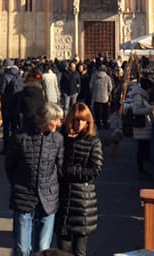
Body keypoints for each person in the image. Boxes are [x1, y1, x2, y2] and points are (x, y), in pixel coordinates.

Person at [5, 102, 64, 256]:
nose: (59, 123)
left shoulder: (57, 139)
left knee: (43, 248)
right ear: (46, 120)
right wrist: (18, 185)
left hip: (48, 198)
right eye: (56, 119)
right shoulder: (20, 137)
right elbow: (10, 165)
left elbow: (60, 166)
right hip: (23, 196)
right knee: (22, 249)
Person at [57, 103, 103, 256]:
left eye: (82, 121)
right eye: (75, 120)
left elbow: (95, 169)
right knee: (62, 248)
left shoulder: (93, 141)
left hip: (83, 200)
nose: (78, 124)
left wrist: (70, 171)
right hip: (63, 199)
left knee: (79, 250)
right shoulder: (63, 138)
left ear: (88, 122)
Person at [125, 78, 154, 176]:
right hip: (141, 126)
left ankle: (142, 167)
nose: (151, 91)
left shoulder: (142, 95)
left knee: (142, 147)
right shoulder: (139, 96)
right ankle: (141, 168)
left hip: (143, 127)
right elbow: (136, 111)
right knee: (141, 148)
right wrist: (149, 109)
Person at [0, 61, 24, 152]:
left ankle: (6, 147)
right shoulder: (19, 77)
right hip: (16, 105)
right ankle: (15, 147)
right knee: (14, 127)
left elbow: (1, 91)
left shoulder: (5, 76)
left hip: (6, 105)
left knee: (6, 127)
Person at [19, 69, 47, 134]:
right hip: (38, 116)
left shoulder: (24, 91)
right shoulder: (40, 91)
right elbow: (43, 103)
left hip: (27, 116)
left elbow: (20, 106)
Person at [89, 65, 112, 130]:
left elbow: (90, 86)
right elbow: (110, 87)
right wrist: (108, 93)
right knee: (105, 112)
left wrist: (93, 92)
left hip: (96, 97)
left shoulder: (94, 76)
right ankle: (105, 124)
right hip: (105, 97)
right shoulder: (108, 77)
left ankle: (98, 125)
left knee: (97, 112)